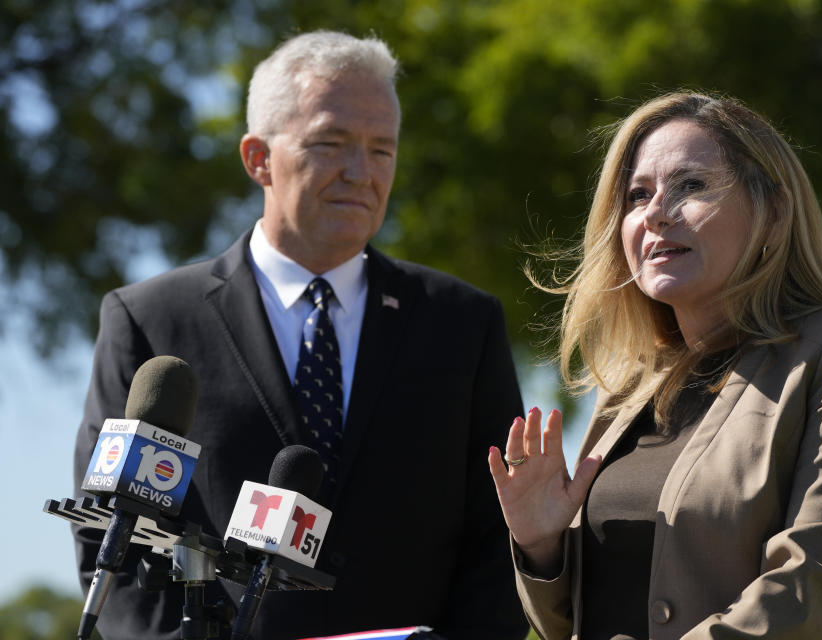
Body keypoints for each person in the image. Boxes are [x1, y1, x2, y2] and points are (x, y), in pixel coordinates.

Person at [73, 30, 529, 640]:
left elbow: (498, 531)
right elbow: (111, 533)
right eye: (330, 143)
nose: (360, 172)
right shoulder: (151, 320)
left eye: (382, 150)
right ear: (258, 157)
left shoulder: (462, 323)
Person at [488, 92, 822, 639]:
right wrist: (542, 545)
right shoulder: (628, 387)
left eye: (690, 185)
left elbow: (809, 586)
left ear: (773, 211)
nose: (656, 212)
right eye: (638, 195)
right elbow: (567, 624)